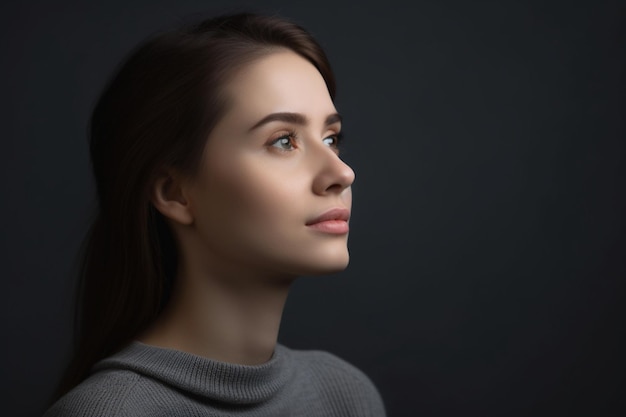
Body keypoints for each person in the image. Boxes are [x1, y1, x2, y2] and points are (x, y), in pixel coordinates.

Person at [44, 12, 385, 417]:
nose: (341, 173)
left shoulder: (344, 396)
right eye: (282, 141)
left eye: (331, 138)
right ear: (174, 193)